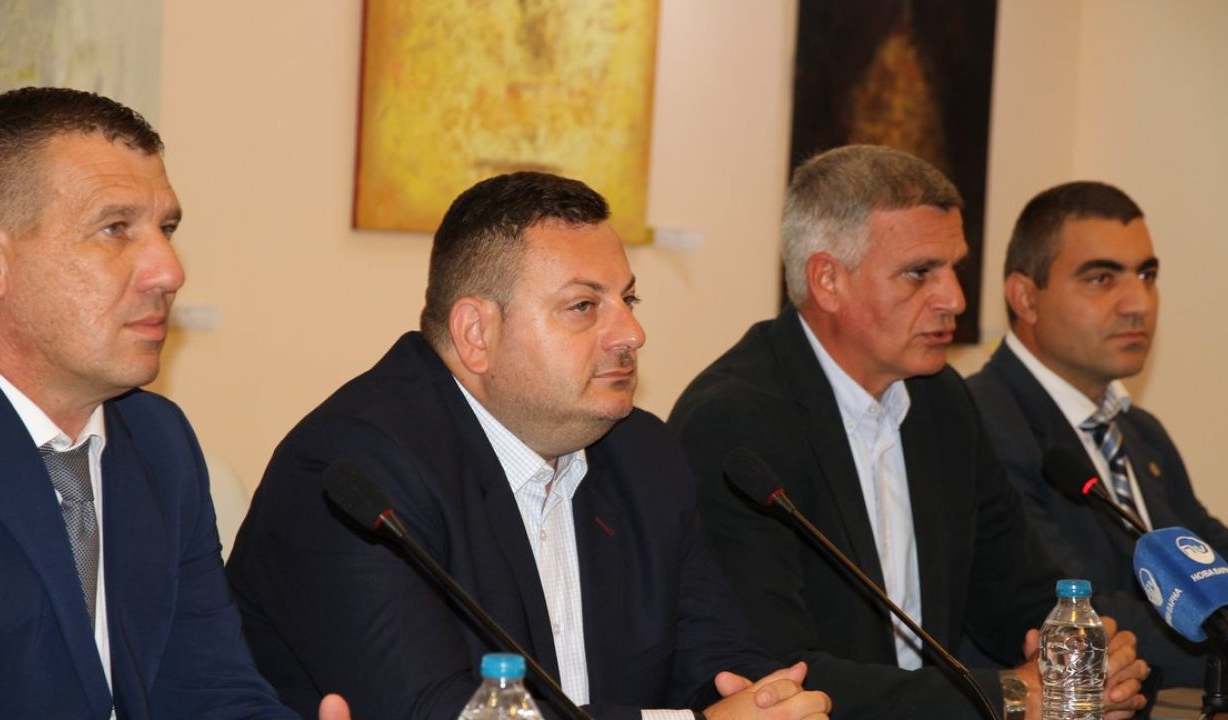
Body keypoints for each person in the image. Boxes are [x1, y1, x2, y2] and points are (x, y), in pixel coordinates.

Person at [225, 172, 831, 720]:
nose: (631, 333)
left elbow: (721, 660)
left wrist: (770, 705)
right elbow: (441, 713)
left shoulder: (642, 454)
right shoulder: (351, 475)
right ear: (476, 334)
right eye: (583, 306)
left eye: (628, 300)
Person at [668, 145, 1149, 720]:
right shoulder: (734, 423)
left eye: (954, 268)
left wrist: (1083, 653)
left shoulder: (941, 401)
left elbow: (1015, 594)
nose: (955, 299)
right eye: (920, 273)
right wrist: (1012, 695)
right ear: (827, 280)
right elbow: (774, 673)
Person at [0, 87, 349, 720]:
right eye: (115, 229)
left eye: (167, 229)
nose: (169, 271)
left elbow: (207, 688)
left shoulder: (157, 440)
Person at [966, 181, 1228, 688]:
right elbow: (1069, 609)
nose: (1138, 303)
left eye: (1147, 275)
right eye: (1101, 278)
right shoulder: (979, 421)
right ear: (1025, 298)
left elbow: (1225, 572)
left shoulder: (1141, 433)